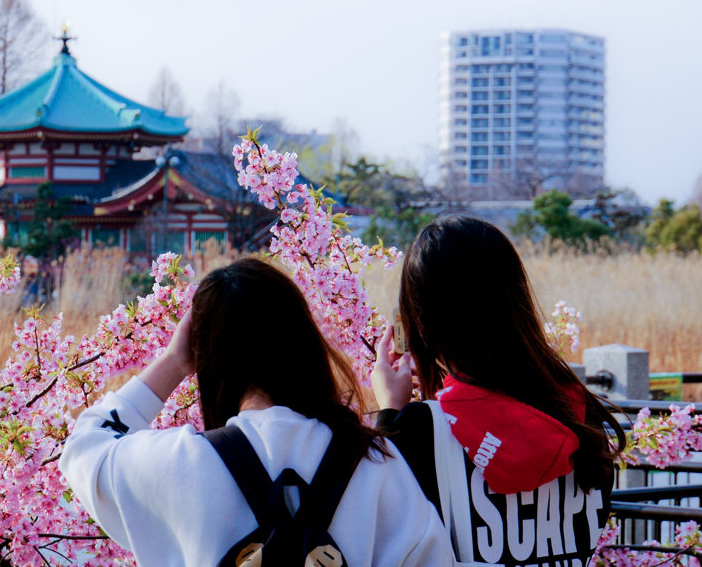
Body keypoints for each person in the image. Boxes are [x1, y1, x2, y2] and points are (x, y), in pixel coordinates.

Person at [60, 257, 453, 567]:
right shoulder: (374, 463)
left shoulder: (178, 463)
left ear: (208, 360)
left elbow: (85, 446)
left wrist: (173, 363)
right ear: (305, 344)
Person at [371, 216, 625, 567]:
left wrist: (390, 412)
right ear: (517, 298)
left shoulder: (421, 429)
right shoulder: (583, 414)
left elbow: (374, 520)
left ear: (421, 324)